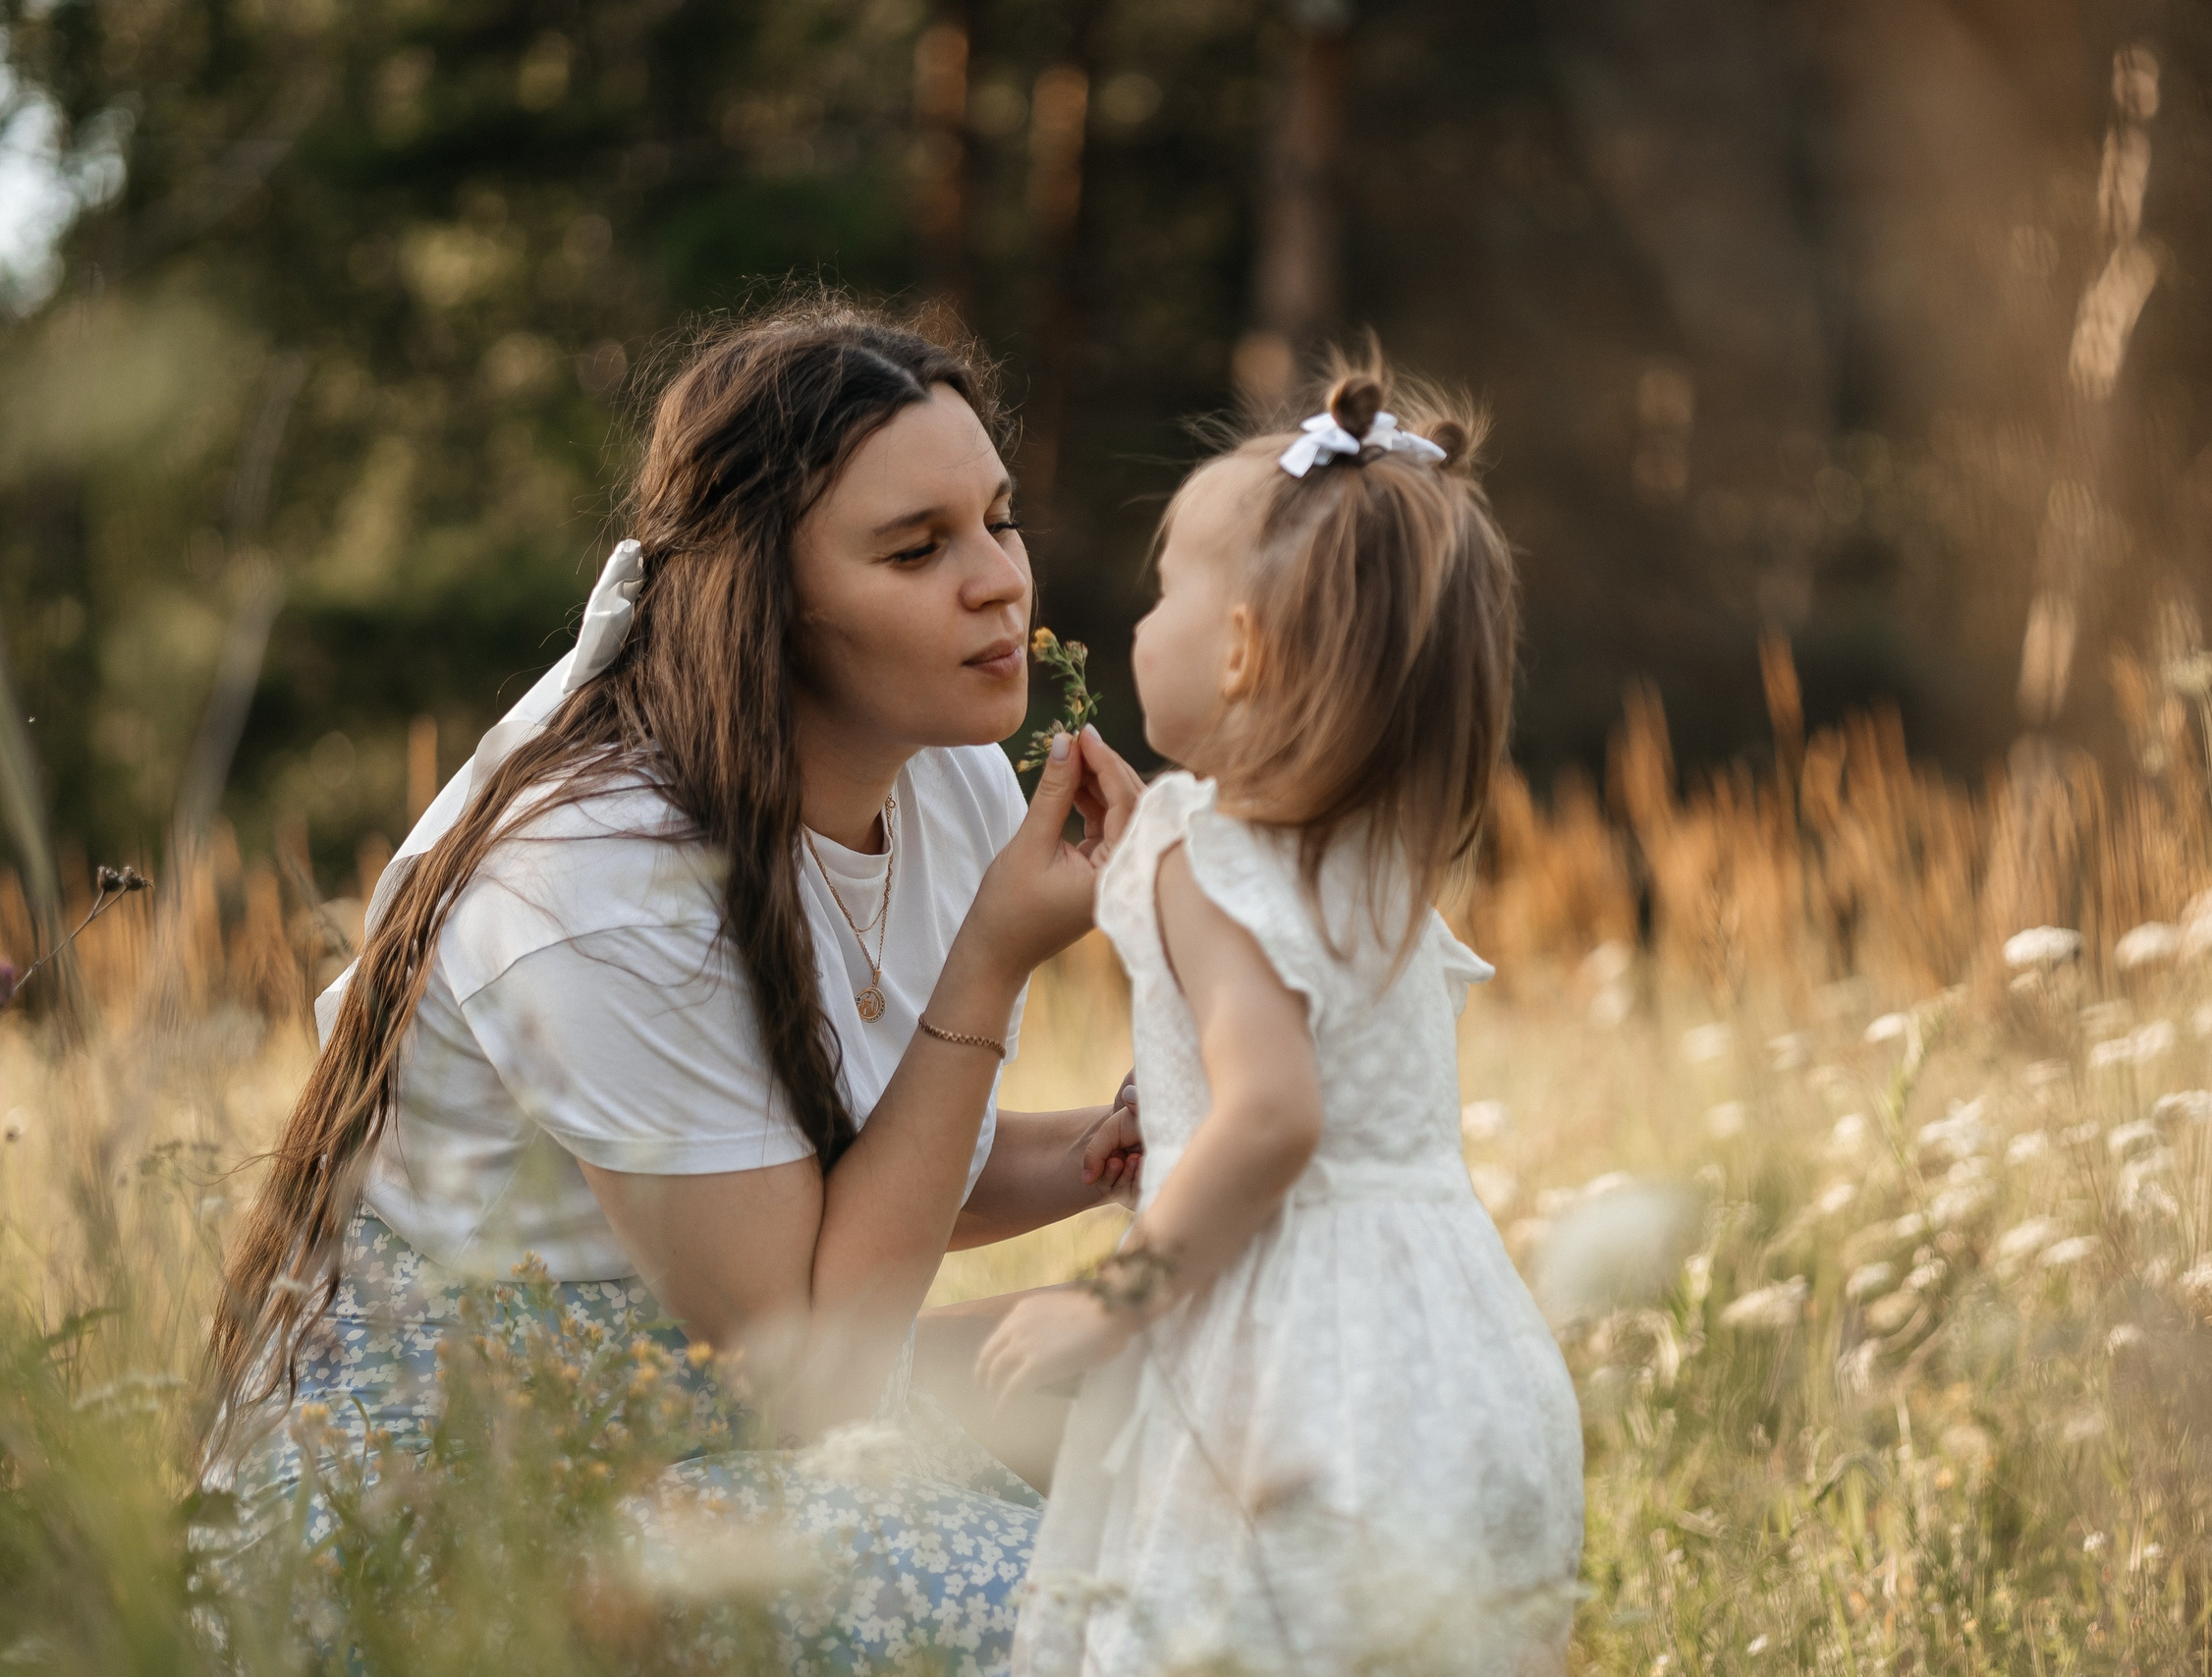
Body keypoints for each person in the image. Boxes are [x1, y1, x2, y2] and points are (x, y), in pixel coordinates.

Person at [197, 299, 1145, 1673]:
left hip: (698, 1405)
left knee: (1209, 1400)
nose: (1001, 580)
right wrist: (994, 962)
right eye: (916, 547)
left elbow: (851, 1176)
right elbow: (804, 1370)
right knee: (1082, 1624)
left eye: (997, 521)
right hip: (477, 1489)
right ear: (765, 598)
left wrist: (1109, 1153)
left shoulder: (935, 771)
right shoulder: (605, 876)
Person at [976, 363, 1585, 1674]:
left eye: (1161, 594)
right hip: (1451, 1353)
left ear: (1243, 649)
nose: (1137, 623)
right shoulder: (1373, 857)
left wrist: (1113, 1298)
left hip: (1287, 1355)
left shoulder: (1206, 861)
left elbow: (1272, 1114)